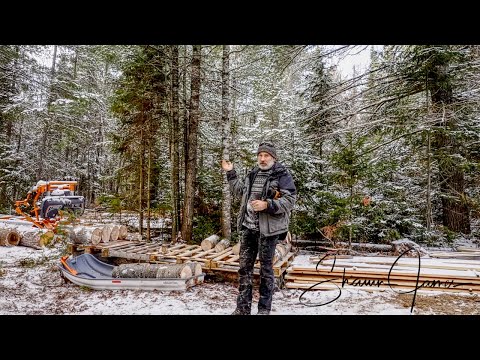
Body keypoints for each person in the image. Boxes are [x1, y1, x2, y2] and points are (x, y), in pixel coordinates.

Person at [221, 142, 296, 315]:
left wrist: (267, 205)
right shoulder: (253, 174)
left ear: (273, 157)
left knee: (266, 271)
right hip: (248, 229)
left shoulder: (282, 175)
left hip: (268, 232)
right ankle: (242, 309)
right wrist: (230, 173)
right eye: (260, 155)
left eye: (266, 156)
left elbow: (290, 201)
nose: (262, 159)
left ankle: (263, 310)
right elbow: (240, 191)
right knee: (244, 269)